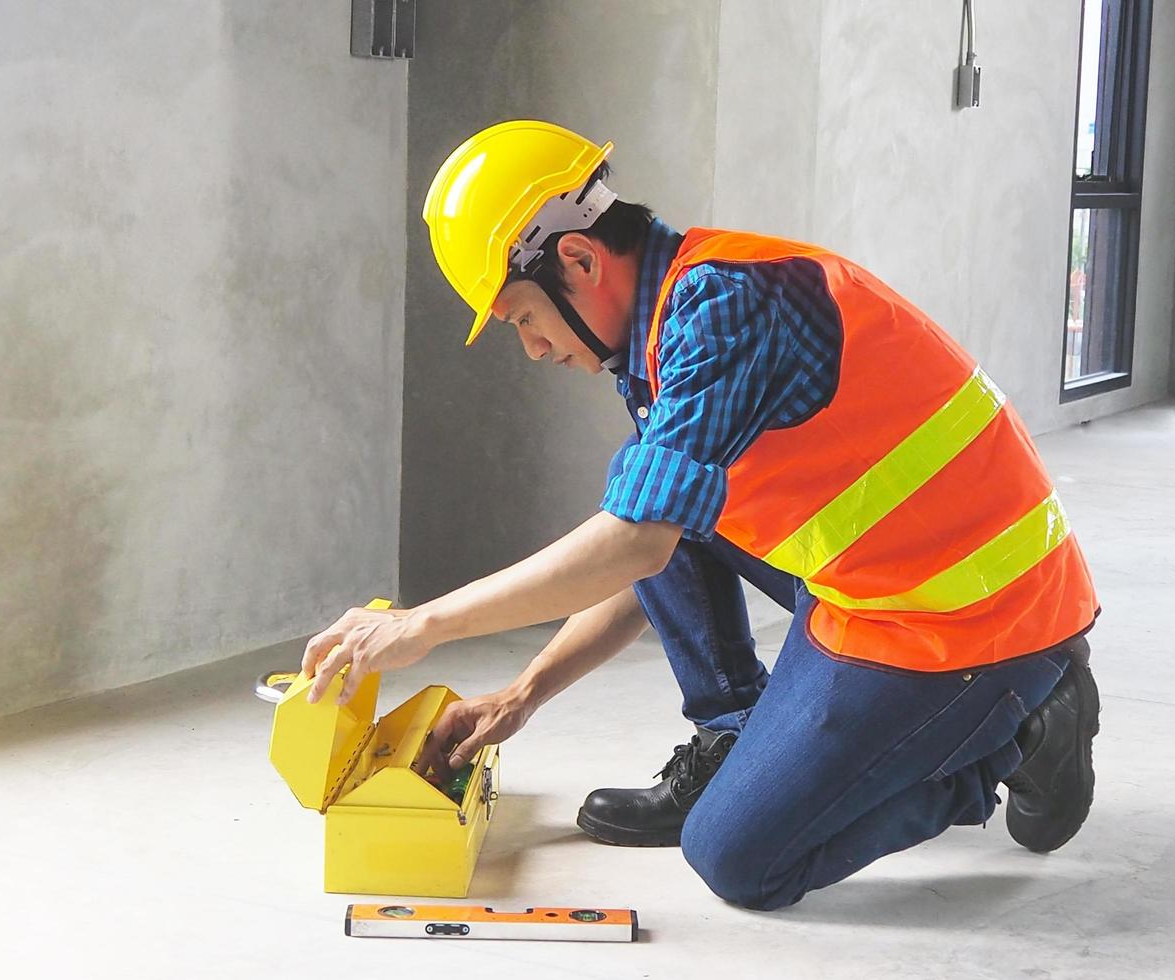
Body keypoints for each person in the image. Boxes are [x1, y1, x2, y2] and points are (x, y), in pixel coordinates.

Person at [301, 120, 1102, 910]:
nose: (535, 349)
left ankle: (1020, 731)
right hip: (885, 576)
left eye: (522, 318)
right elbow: (653, 546)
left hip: (975, 613)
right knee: (654, 493)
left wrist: (426, 623)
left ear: (578, 259)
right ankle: (737, 739)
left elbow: (634, 547)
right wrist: (520, 696)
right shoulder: (666, 328)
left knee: (739, 858)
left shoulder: (724, 308)